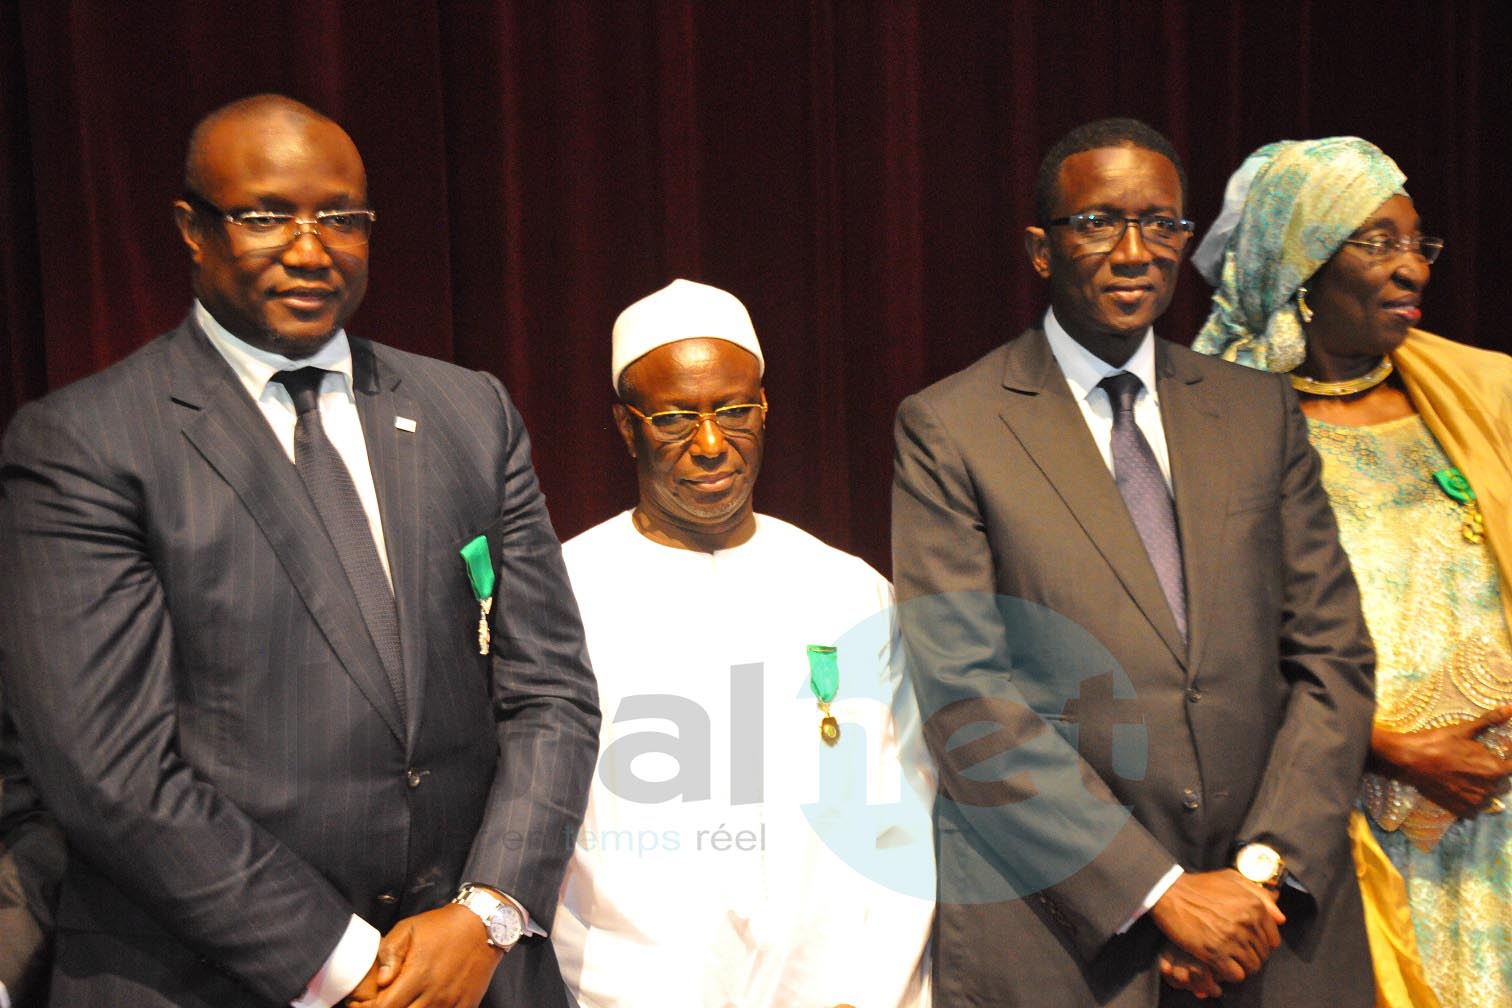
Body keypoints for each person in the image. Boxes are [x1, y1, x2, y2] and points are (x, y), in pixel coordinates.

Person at [0, 94, 599, 1008]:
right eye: (267, 215)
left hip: (473, 975)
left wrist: (487, 914)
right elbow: (107, 772)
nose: (312, 248)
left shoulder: (468, 412)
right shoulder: (84, 443)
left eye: (343, 218)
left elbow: (551, 690)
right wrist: (348, 966)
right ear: (192, 231)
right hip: (208, 977)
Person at [891, 118, 1377, 1006]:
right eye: (1097, 223)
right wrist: (1160, 893)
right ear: (1041, 249)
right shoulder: (951, 427)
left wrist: (1256, 880)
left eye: (1161, 224)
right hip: (1068, 941)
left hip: (1274, 933)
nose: (1133, 251)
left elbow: (1332, 662)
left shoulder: (1258, 413)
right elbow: (969, 699)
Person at [551, 278, 935, 1007]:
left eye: (733, 411)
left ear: (764, 412)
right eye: (673, 418)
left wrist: (869, 986)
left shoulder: (849, 590)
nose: (709, 444)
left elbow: (908, 806)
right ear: (626, 427)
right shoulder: (563, 592)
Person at [1193, 135, 1512, 1008]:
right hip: (1341, 823)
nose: (1412, 269)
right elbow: (1209, 650)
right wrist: (1395, 751)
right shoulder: (1219, 428)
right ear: (1302, 261)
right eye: (1378, 242)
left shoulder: (1479, 397)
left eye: (1420, 245)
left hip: (1497, 821)